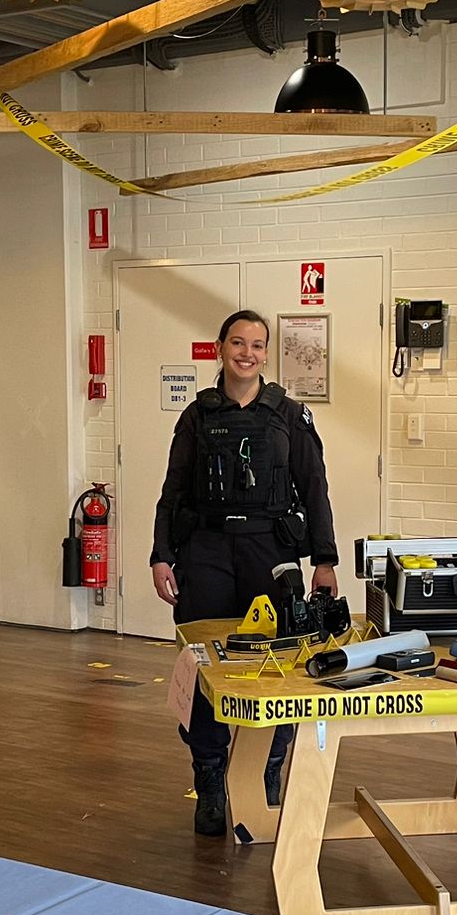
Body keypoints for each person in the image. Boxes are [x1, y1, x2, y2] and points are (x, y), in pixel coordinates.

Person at [152, 311, 339, 836]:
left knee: (279, 667)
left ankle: (267, 777)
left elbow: (315, 489)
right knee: (206, 666)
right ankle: (209, 782)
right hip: (207, 552)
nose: (248, 353)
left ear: (266, 353)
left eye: (258, 345)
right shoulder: (196, 417)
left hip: (269, 553)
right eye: (239, 342)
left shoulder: (289, 416)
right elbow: (173, 493)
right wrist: (161, 554)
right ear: (221, 347)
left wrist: (323, 561)